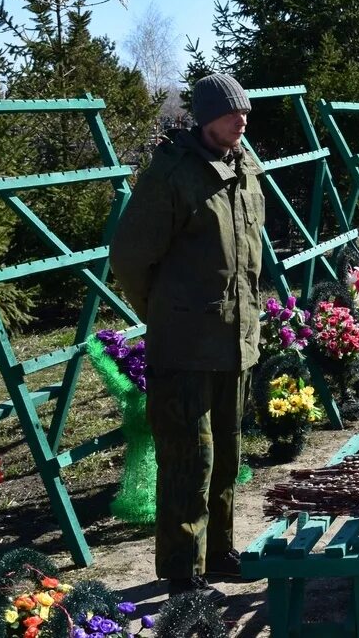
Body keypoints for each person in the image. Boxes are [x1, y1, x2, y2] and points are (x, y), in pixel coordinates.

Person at [109, 73, 264, 602]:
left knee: (226, 455)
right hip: (185, 344)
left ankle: (218, 552)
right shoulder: (172, 175)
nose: (240, 121)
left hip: (233, 340)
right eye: (229, 114)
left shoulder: (247, 165)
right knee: (187, 460)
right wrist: (162, 311)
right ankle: (182, 571)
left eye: (244, 112)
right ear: (204, 119)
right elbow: (130, 257)